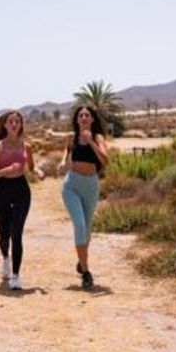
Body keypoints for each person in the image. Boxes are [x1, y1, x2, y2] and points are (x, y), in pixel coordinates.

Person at [0, 110, 42, 290]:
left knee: (16, 233)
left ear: (20, 125)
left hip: (21, 190)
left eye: (17, 121)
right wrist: (7, 170)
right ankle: (6, 259)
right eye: (11, 121)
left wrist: (38, 171)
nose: (14, 124)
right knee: (4, 235)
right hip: (1, 191)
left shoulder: (27, 146)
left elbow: (32, 167)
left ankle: (16, 276)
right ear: (5, 125)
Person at [58, 105, 108, 289]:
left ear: (92, 119)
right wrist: (63, 161)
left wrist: (91, 142)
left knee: (86, 229)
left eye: (87, 115)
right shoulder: (72, 137)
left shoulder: (98, 137)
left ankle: (81, 260)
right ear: (77, 120)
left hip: (91, 186)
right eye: (81, 115)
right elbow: (67, 149)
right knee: (79, 225)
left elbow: (105, 160)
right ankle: (86, 272)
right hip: (72, 185)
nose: (84, 118)